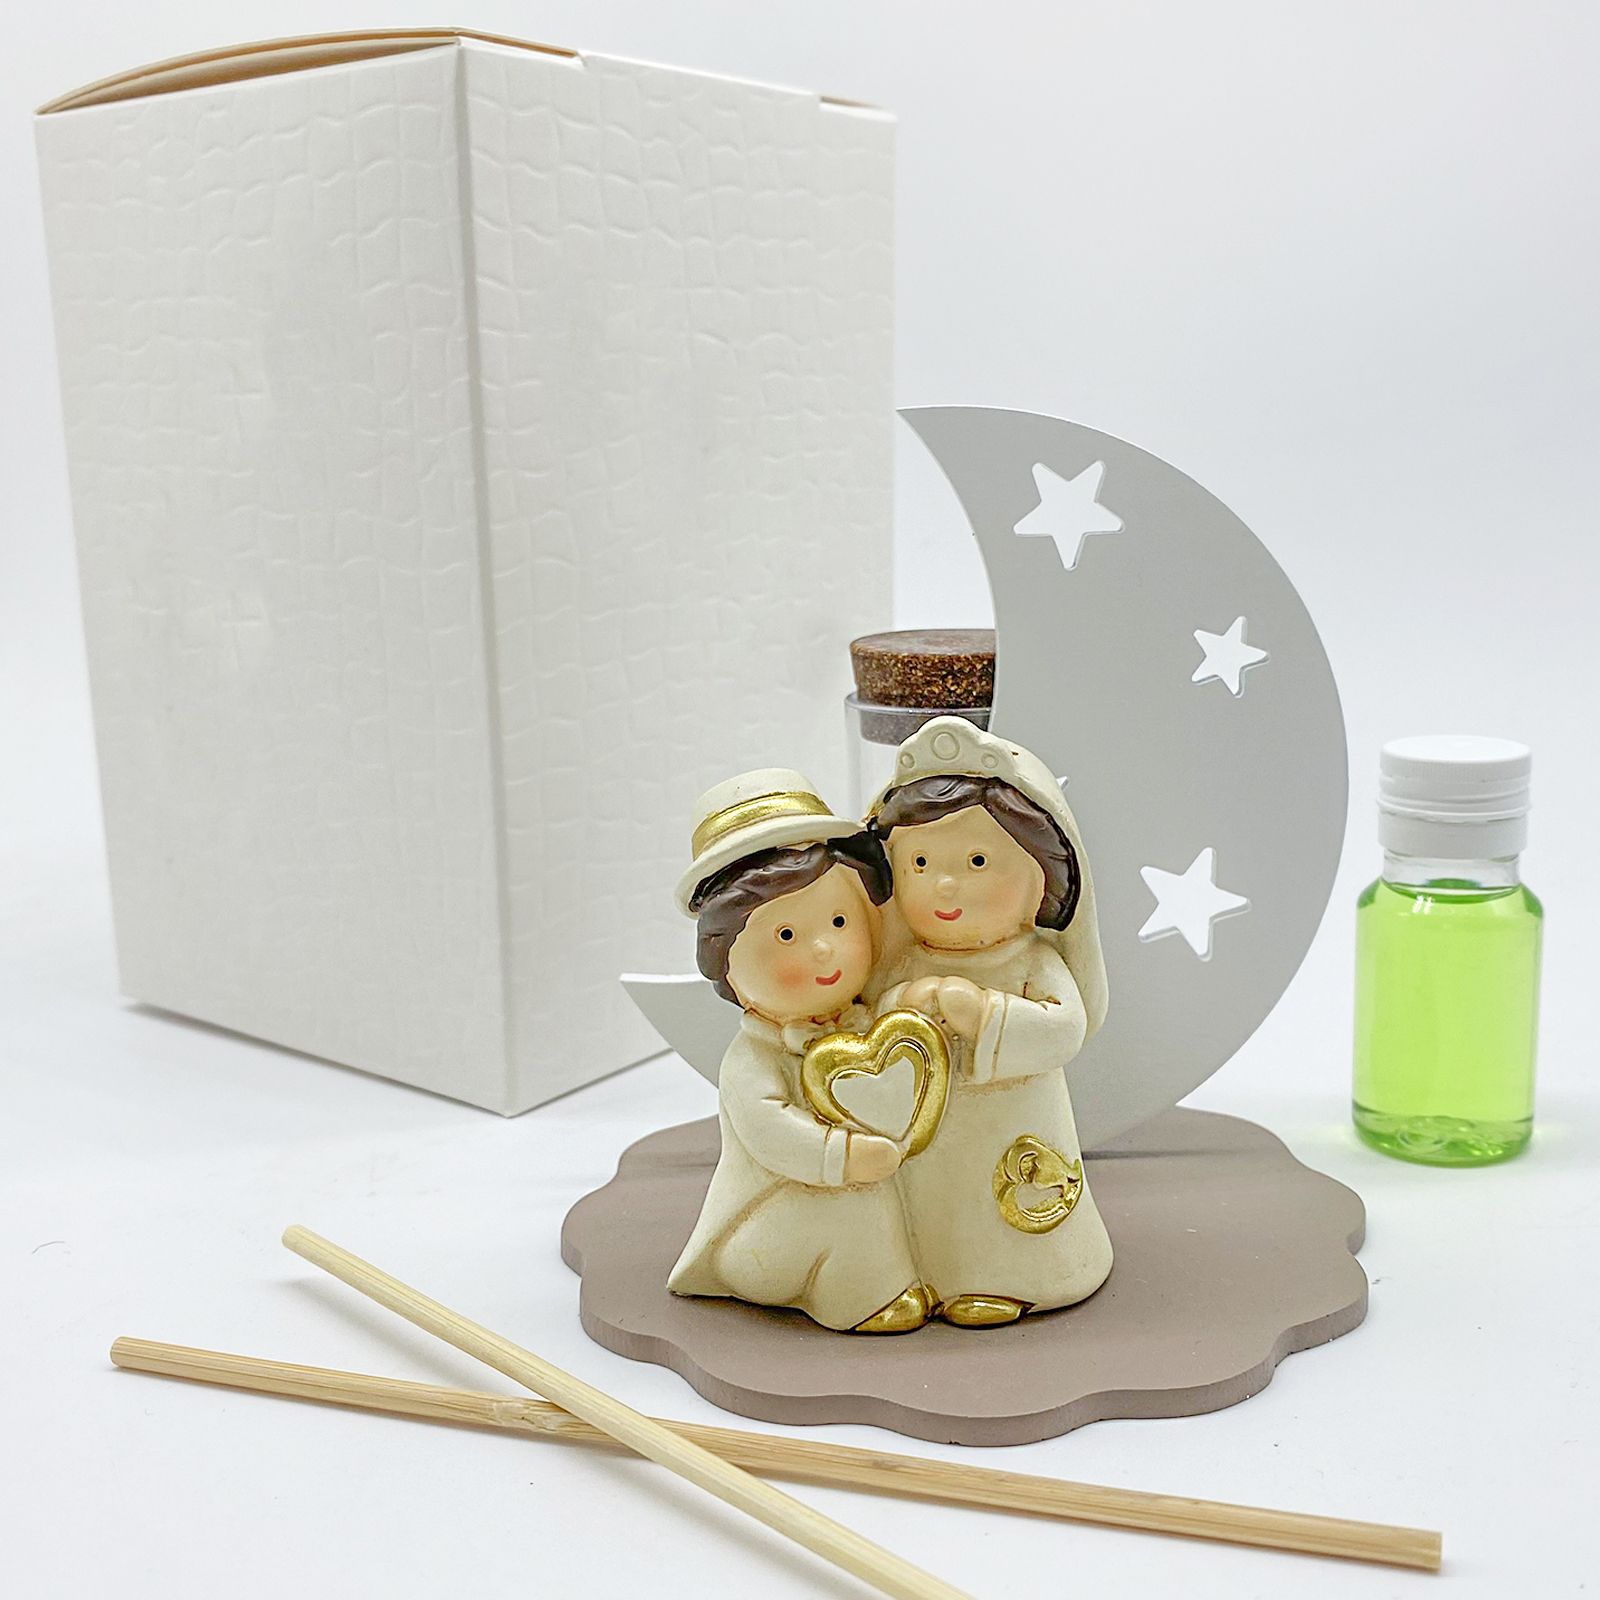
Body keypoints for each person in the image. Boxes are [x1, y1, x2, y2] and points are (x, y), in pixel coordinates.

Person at [667, 769, 934, 1333]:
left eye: (838, 921)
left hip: (840, 1210)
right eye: (786, 936)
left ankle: (891, 1282)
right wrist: (840, 1156)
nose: (823, 948)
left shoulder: (879, 1024)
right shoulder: (753, 1062)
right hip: (763, 1234)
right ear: (728, 968)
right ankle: (861, 1301)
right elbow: (771, 1131)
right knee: (849, 1200)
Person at [866, 718, 1113, 1326]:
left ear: (1038, 881)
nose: (945, 884)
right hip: (932, 1128)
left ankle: (1015, 1280)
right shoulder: (906, 960)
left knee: (1004, 1206)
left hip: (1016, 1120)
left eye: (977, 860)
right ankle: (931, 1274)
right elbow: (873, 1025)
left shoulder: (1032, 962)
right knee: (940, 1201)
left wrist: (984, 1014)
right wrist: (903, 1002)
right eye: (920, 862)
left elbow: (1064, 1028)